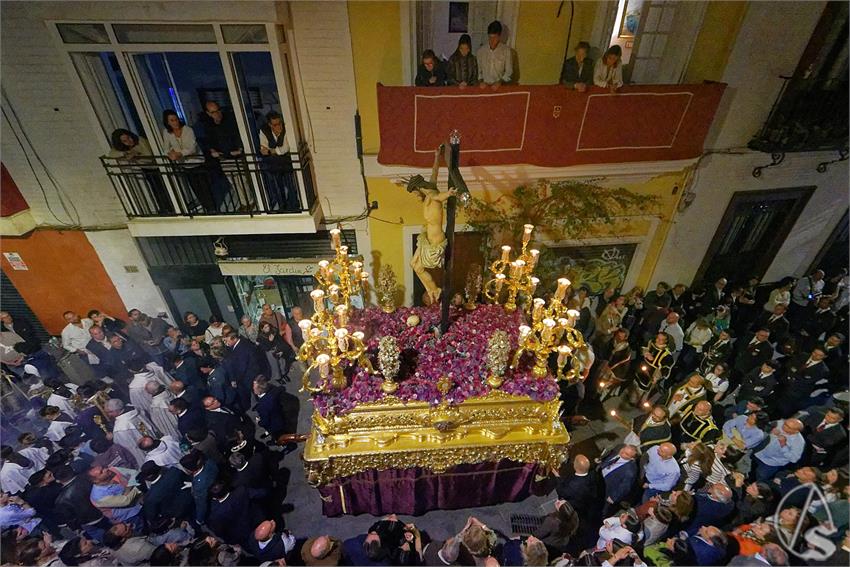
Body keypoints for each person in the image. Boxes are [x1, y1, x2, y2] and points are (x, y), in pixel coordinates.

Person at [199, 101, 246, 211]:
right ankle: (244, 202)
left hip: (235, 156)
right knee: (233, 182)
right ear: (208, 113)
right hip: (223, 157)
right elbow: (209, 141)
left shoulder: (229, 121)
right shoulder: (209, 126)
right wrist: (213, 151)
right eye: (213, 112)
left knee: (242, 181)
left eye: (218, 110)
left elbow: (237, 136)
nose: (217, 113)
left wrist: (238, 150)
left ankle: (249, 201)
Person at [259, 110, 299, 212]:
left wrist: (271, 151)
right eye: (275, 124)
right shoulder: (264, 131)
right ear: (270, 125)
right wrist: (274, 151)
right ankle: (282, 206)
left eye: (280, 123)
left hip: (286, 163)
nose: (279, 126)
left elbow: (285, 148)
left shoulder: (286, 129)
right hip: (273, 164)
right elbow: (263, 149)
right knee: (277, 186)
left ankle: (294, 205)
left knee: (290, 184)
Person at [599, 444, 639, 516]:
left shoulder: (630, 472)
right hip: (600, 478)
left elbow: (624, 487)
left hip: (607, 489)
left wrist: (613, 498)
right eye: (623, 449)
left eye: (626, 454)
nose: (621, 453)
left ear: (632, 458)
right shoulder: (618, 451)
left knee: (601, 507)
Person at [477, 20, 512, 87]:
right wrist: (481, 81)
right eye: (490, 37)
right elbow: (478, 71)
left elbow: (509, 72)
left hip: (499, 87)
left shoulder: (506, 51)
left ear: (499, 37)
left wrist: (500, 82)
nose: (492, 40)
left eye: (494, 37)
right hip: (484, 87)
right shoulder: (481, 51)